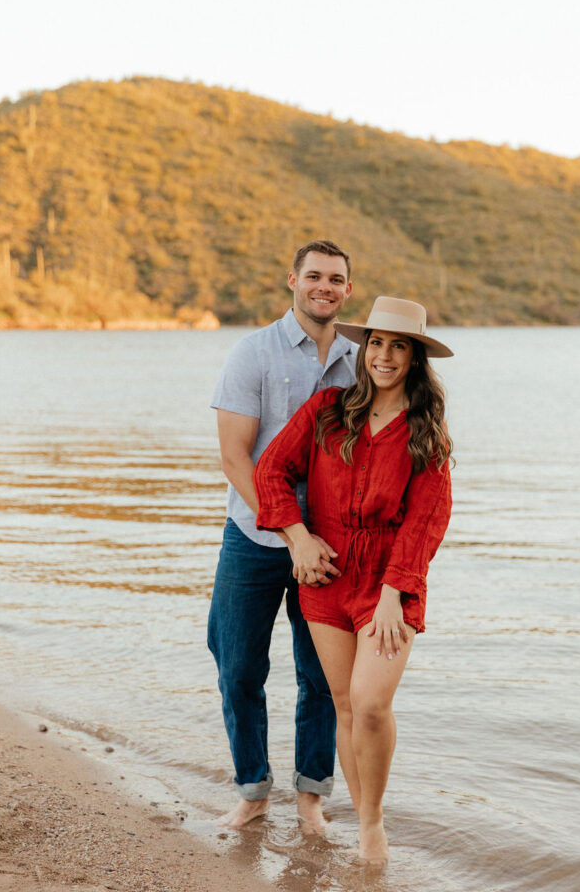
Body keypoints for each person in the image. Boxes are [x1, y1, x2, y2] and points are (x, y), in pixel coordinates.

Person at [253, 296, 453, 863]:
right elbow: (271, 469)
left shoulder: (425, 436)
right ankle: (364, 824)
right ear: (364, 350)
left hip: (389, 583)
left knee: (370, 703)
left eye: (399, 346)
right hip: (325, 577)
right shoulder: (326, 411)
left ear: (414, 359)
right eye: (377, 344)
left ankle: (373, 822)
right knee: (343, 703)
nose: (384, 356)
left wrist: (395, 594)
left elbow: (426, 521)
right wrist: (298, 537)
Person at [207, 239, 355, 831]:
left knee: (321, 675)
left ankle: (312, 799)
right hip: (254, 538)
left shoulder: (360, 359)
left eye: (336, 279)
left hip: (333, 545)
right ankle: (253, 790)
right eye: (314, 276)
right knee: (238, 665)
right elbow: (235, 459)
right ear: (291, 280)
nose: (325, 287)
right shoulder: (253, 353)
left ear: (349, 289)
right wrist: (294, 537)